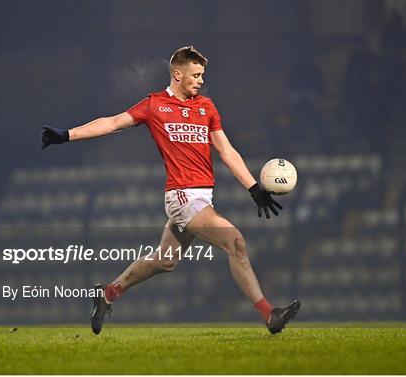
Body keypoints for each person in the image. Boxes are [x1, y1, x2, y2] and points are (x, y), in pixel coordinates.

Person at [41, 46, 301, 335]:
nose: (201, 80)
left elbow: (226, 150)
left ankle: (108, 293)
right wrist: (66, 136)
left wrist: (253, 188)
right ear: (177, 74)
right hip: (181, 196)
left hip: (201, 198)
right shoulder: (155, 105)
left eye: (203, 75)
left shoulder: (207, 107)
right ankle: (269, 315)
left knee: (165, 261)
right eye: (196, 75)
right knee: (236, 243)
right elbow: (113, 123)